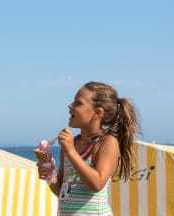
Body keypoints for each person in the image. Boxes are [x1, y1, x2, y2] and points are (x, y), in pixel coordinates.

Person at [37, 81, 140, 215]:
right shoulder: (70, 144)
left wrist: (71, 151)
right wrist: (50, 176)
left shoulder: (107, 142)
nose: (70, 106)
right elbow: (62, 191)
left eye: (78, 103)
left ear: (97, 113)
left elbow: (97, 184)